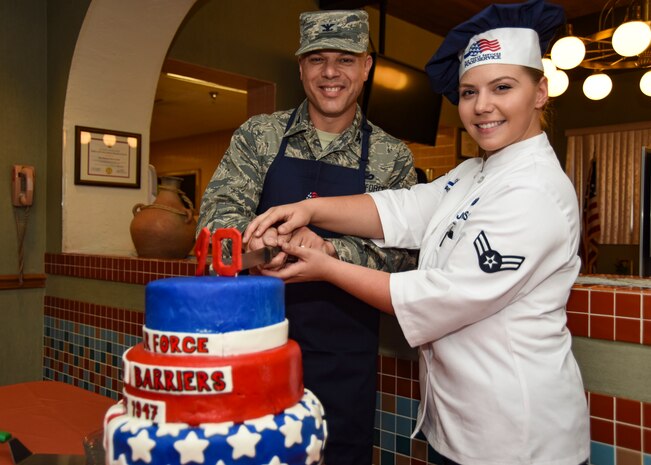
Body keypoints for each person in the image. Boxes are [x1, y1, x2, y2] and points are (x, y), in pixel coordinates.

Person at [243, 1, 591, 463]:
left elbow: (436, 295)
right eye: (469, 92)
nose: (482, 106)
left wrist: (327, 265)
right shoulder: (475, 173)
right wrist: (308, 209)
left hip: (517, 436)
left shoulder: (536, 192)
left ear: (541, 91)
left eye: (502, 88)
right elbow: (402, 207)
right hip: (464, 424)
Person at [197, 9, 417, 464]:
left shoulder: (392, 156)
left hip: (345, 357)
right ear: (300, 68)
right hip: (254, 347)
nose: (331, 72)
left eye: (345, 59)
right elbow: (214, 229)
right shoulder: (259, 135)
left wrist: (329, 249)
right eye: (317, 59)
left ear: (366, 66)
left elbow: (405, 259)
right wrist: (269, 247)